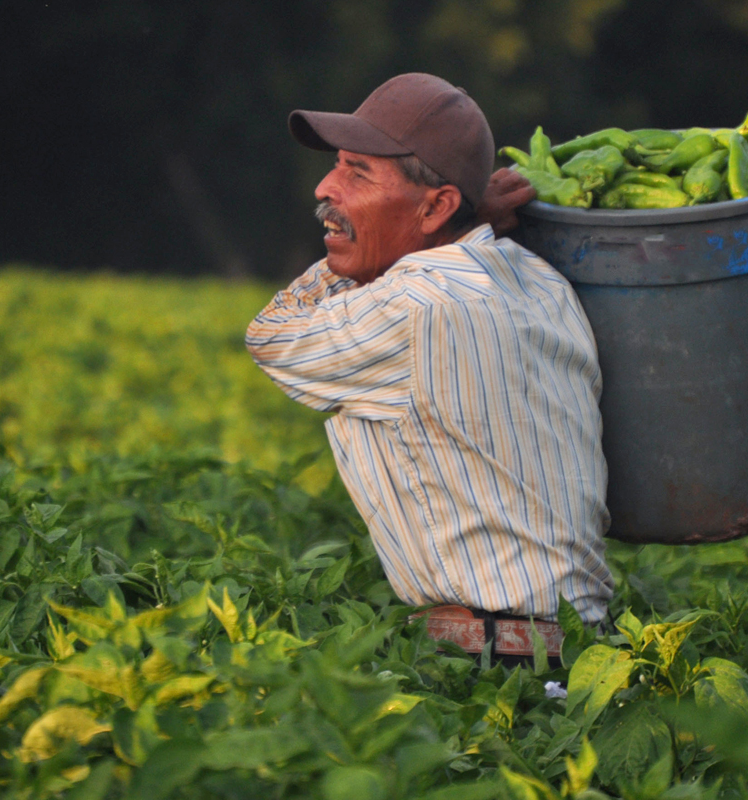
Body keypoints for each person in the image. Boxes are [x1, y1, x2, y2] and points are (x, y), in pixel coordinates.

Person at [245, 73, 614, 665]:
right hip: (578, 650)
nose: (326, 186)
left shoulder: (418, 304)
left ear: (438, 205)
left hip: (496, 660)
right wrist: (453, 223)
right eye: (338, 164)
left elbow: (271, 336)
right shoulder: (537, 276)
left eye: (359, 172)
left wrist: (361, 253)